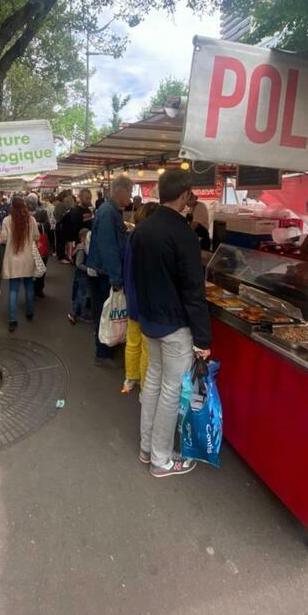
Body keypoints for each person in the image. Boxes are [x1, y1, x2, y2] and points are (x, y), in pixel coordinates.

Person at [131, 169, 211, 478]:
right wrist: (203, 339)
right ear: (184, 195)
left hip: (150, 320)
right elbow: (193, 290)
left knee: (153, 382)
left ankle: (147, 448)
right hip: (175, 325)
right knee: (170, 389)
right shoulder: (183, 233)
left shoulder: (142, 229)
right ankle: (162, 459)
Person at [87, 175, 133, 367]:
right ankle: (103, 353)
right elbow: (108, 248)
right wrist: (116, 278)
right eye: (129, 192)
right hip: (104, 273)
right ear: (119, 190)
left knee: (105, 311)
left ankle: (106, 347)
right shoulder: (109, 212)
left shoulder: (110, 210)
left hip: (103, 270)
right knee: (105, 312)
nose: (130, 197)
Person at [122, 202, 159, 393]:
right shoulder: (150, 239)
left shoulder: (132, 236)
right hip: (145, 299)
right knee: (147, 346)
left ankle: (131, 377)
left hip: (131, 294)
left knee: (132, 340)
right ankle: (145, 386)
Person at [1, 196, 40, 332]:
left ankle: (13, 320)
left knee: (13, 290)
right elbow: (36, 236)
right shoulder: (31, 220)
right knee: (29, 287)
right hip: (28, 259)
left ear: (12, 206)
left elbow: (4, 238)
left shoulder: (7, 220)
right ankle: (29, 313)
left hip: (13, 260)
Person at [27, 193, 50, 298]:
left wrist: (39, 225)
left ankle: (39, 288)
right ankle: (32, 289)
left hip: (41, 242)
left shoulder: (42, 211)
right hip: (28, 243)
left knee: (41, 265)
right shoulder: (23, 213)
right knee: (30, 267)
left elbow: (48, 225)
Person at [68, 228, 92, 324]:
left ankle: (74, 313)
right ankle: (82, 314)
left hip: (81, 274)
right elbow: (78, 264)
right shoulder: (82, 249)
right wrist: (88, 269)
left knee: (80, 293)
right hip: (82, 275)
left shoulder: (82, 248)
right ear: (82, 238)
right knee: (82, 294)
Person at [54, 191, 73, 264]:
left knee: (59, 241)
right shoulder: (61, 205)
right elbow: (61, 216)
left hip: (58, 225)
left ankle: (60, 255)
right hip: (61, 225)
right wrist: (67, 213)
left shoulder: (57, 204)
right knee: (61, 242)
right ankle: (61, 258)